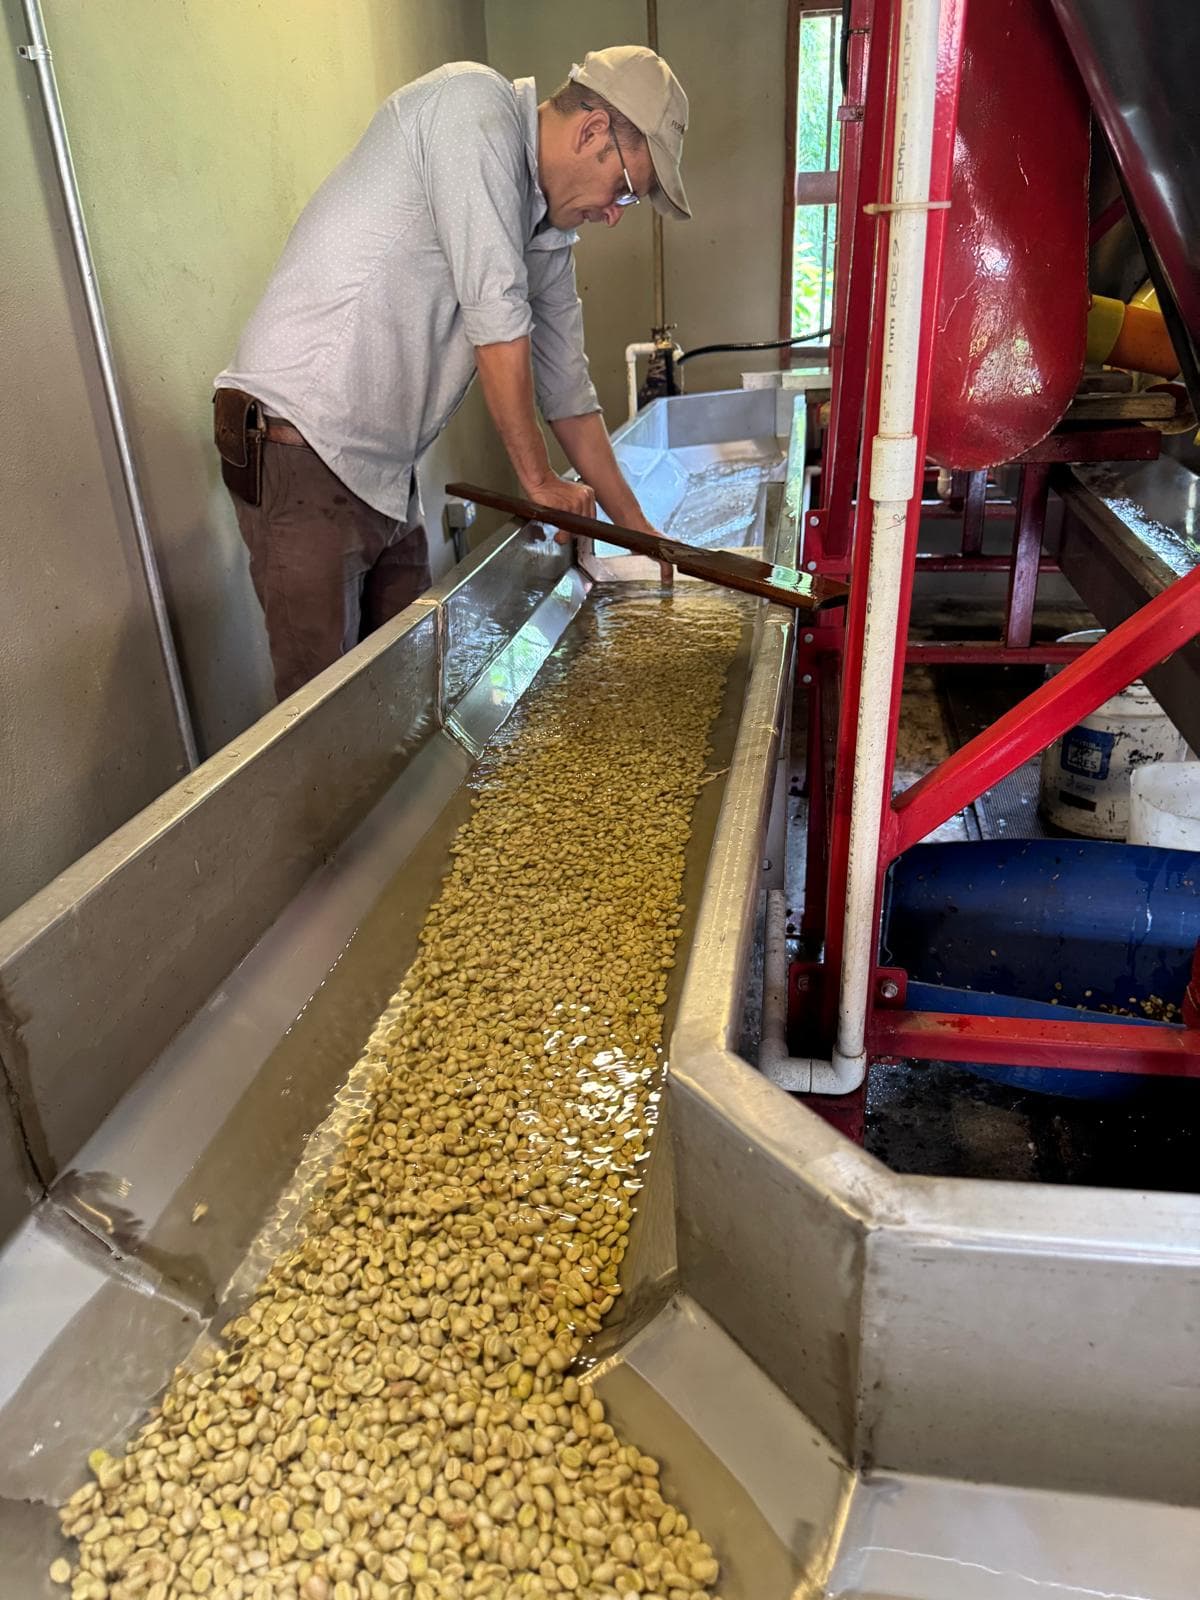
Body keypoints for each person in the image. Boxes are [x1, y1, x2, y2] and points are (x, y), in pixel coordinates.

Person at [214, 45, 690, 701]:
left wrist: (641, 537)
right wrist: (537, 481)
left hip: (379, 470)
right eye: (626, 190)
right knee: (321, 716)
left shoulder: (546, 229)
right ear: (592, 131)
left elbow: (568, 390)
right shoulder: (474, 110)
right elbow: (496, 314)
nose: (613, 213)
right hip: (299, 444)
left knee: (409, 692)